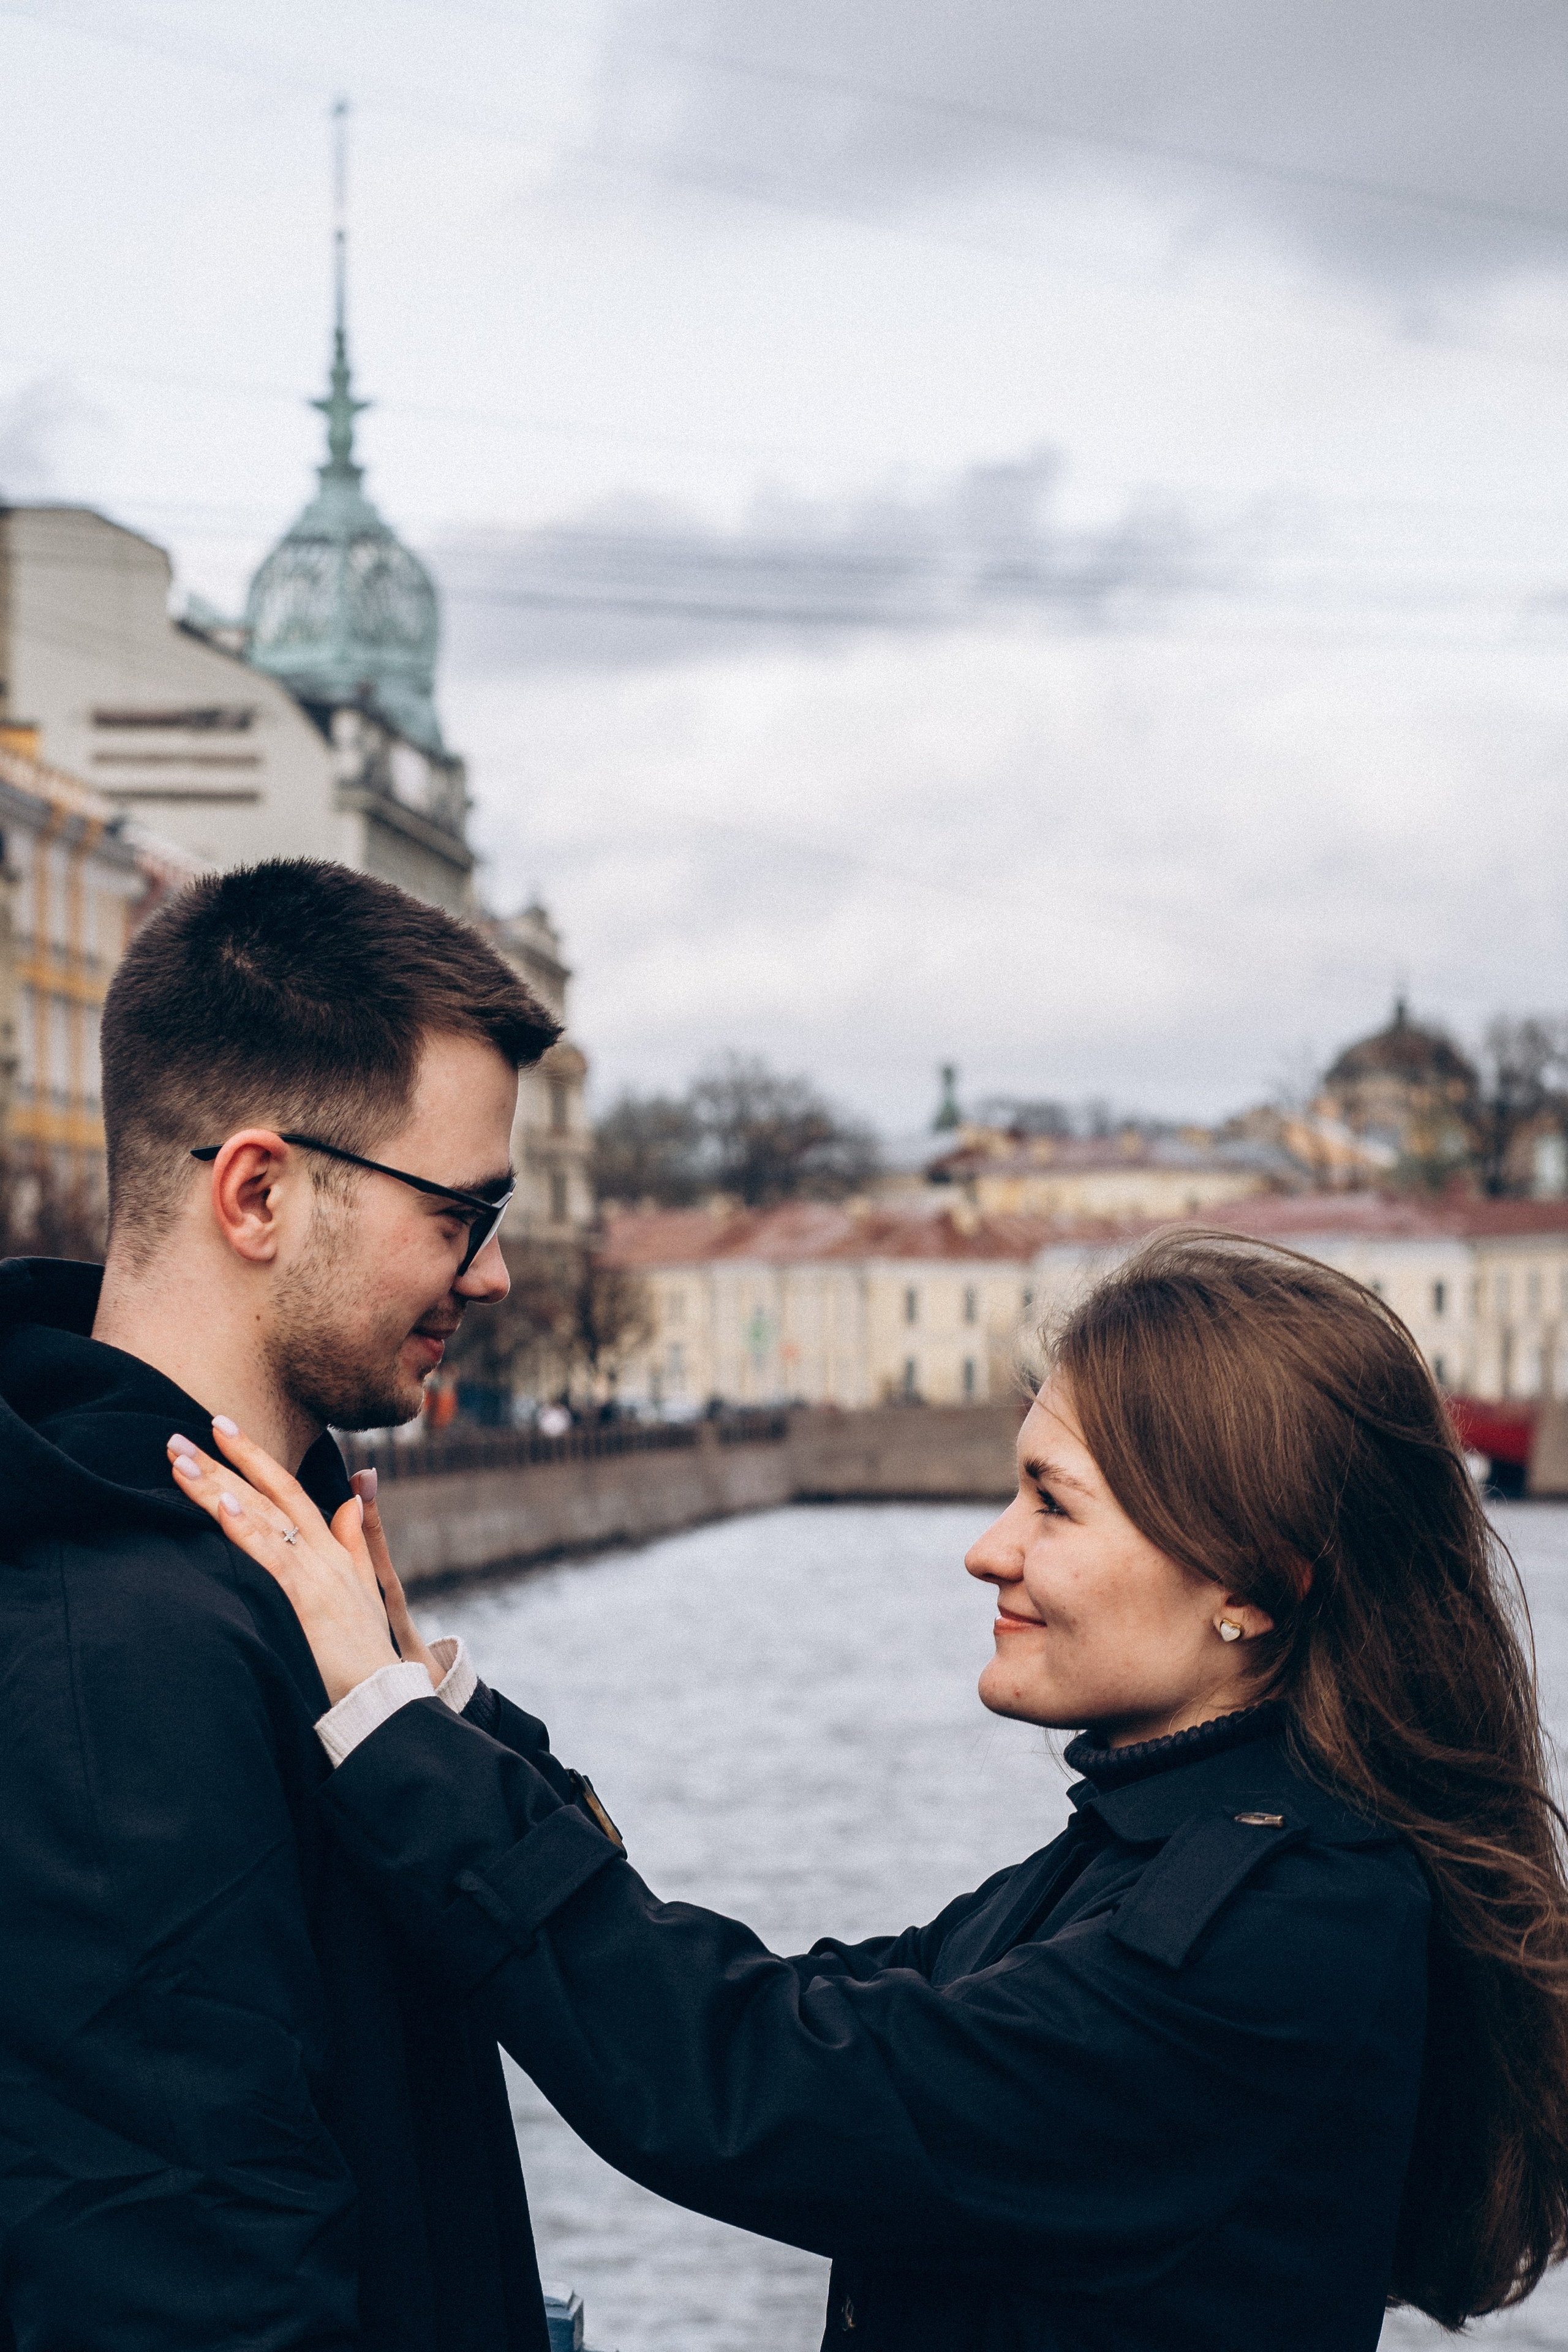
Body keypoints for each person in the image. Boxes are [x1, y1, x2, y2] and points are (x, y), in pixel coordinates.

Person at [169, 1234, 1568, 2352]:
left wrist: (397, 1742)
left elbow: (762, 2085)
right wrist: (451, 1724)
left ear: (1251, 1585)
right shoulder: (1182, 1851)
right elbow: (785, 2010)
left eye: (1051, 1503)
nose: (984, 1549)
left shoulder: (1271, 1927)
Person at [0, 858, 589, 2351]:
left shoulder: (273, 1573)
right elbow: (184, 2282)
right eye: (464, 1211)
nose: (499, 1272)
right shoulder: (118, 1647)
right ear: (256, 1192)